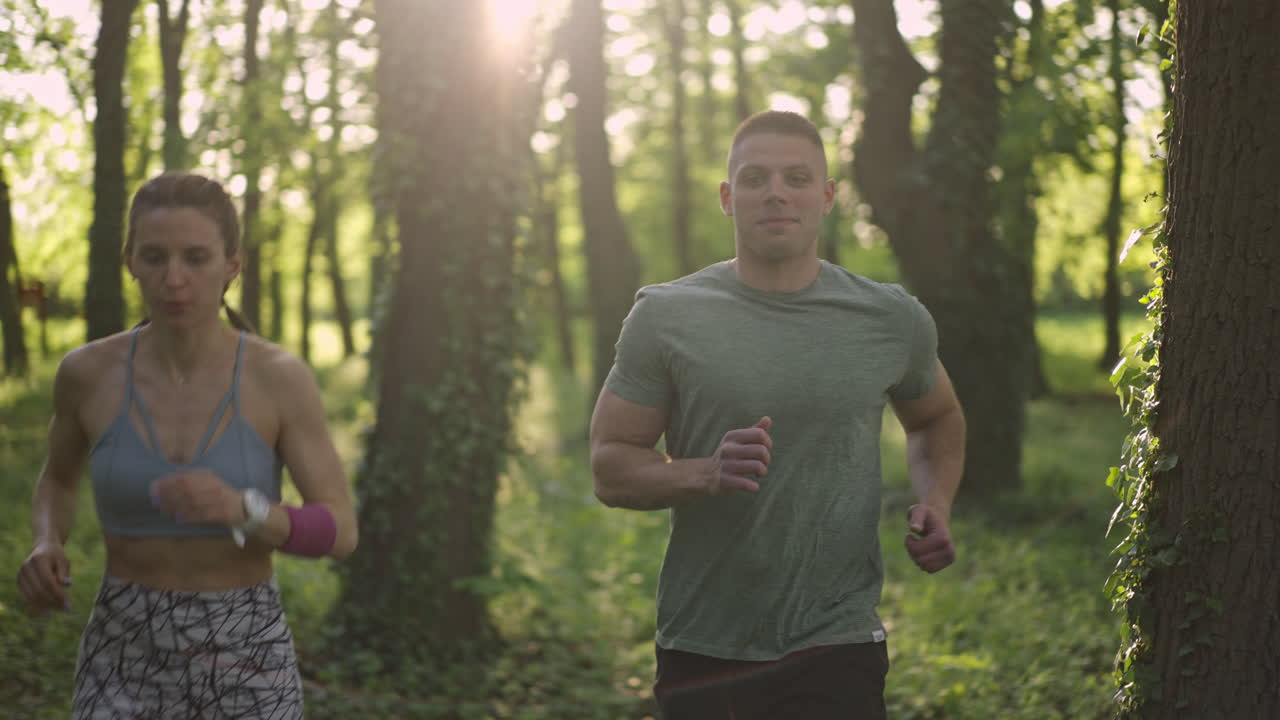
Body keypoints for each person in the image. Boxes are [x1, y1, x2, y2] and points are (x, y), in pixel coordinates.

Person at [588, 110, 966, 719]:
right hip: (704, 641)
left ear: (827, 197)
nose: (776, 193)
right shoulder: (665, 316)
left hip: (837, 639)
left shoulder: (891, 318)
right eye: (754, 178)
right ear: (727, 197)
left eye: (796, 178)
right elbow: (610, 467)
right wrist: (705, 473)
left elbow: (936, 417)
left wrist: (937, 501)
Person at [15, 172, 359, 720]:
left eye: (196, 258)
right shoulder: (87, 373)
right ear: (130, 261)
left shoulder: (278, 378)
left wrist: (244, 509)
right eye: (154, 257)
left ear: (232, 265)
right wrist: (45, 541)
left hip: (247, 653)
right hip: (122, 653)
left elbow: (340, 531)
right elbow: (58, 478)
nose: (173, 279)